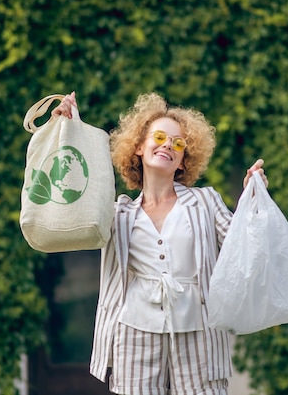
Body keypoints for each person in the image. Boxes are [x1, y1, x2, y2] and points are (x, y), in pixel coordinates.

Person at [51, 91, 268, 395]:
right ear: (138, 146)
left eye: (178, 143)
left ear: (182, 161)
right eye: (160, 136)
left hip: (198, 332)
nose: (169, 144)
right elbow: (70, 206)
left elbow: (242, 247)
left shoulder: (206, 201)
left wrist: (251, 202)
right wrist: (66, 133)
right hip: (134, 332)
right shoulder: (117, 214)